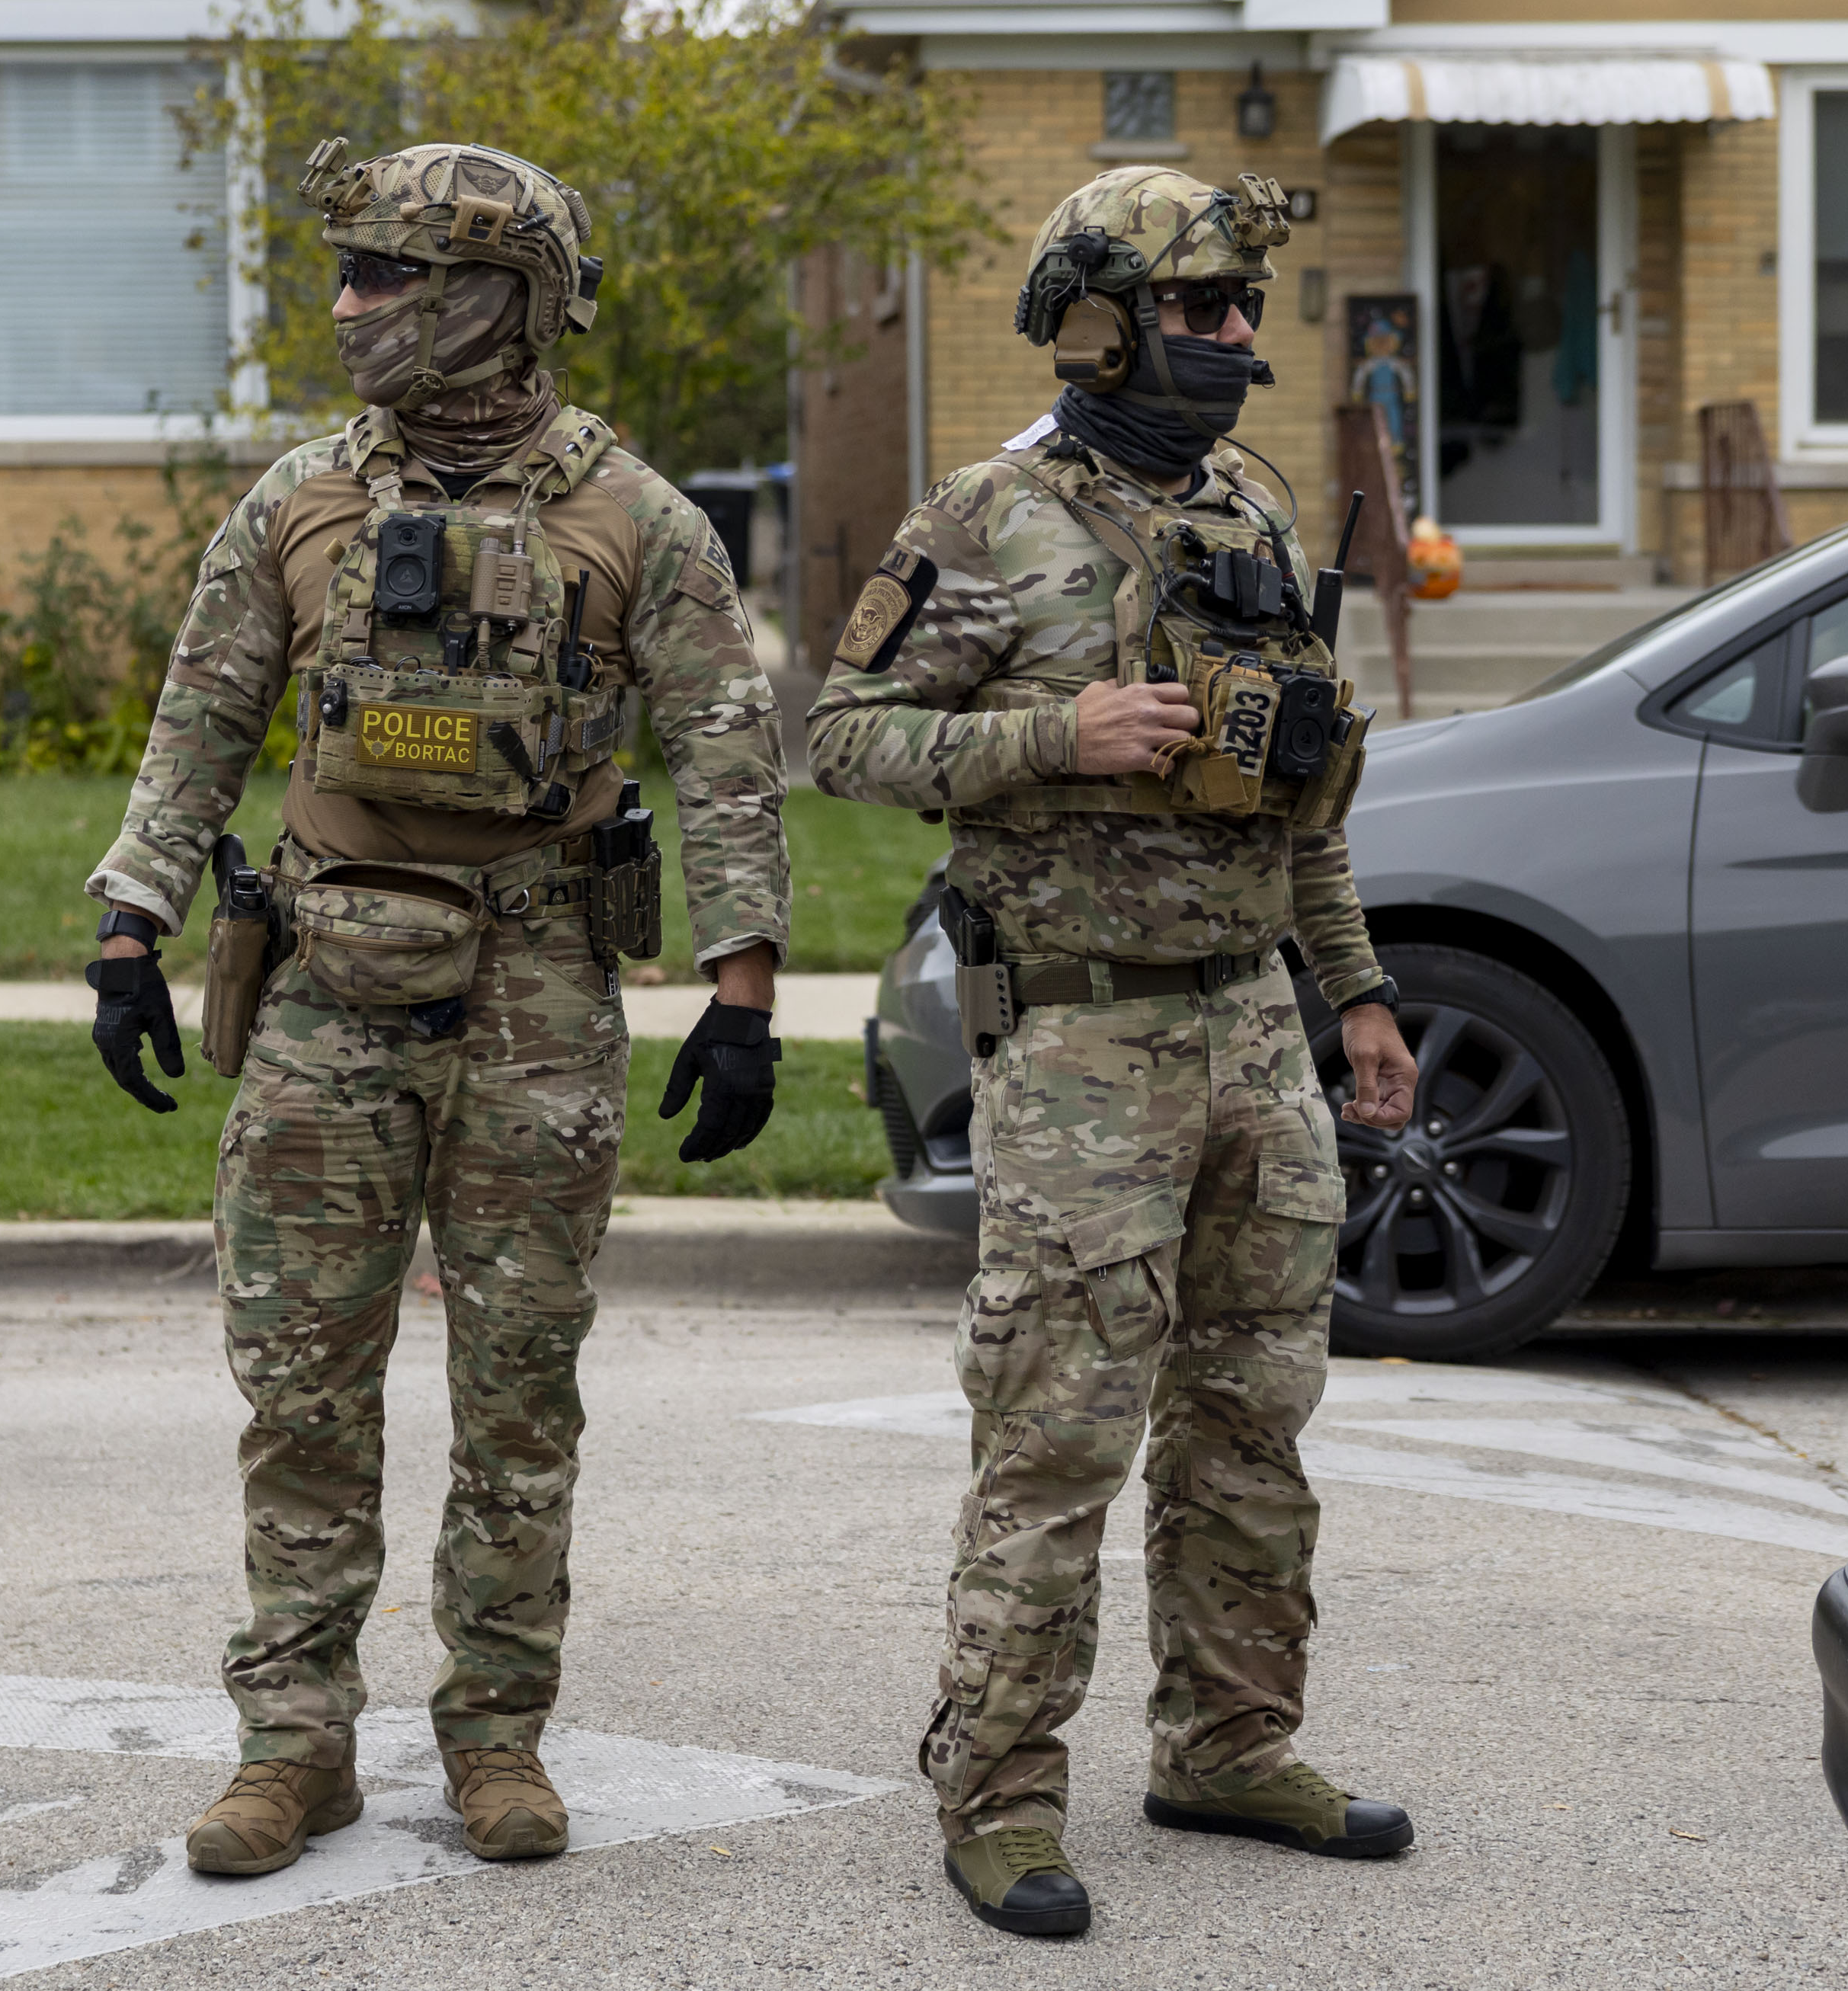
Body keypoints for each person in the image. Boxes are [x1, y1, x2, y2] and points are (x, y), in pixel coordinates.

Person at [81, 139, 790, 1881]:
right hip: (327, 983)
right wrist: (129, 924)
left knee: (518, 1387)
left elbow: (724, 763)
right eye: (353, 273)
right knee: (302, 1375)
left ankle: (494, 1736)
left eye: (385, 275)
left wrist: (744, 988)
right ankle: (292, 1742)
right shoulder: (298, 503)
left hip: (540, 985)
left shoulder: (639, 523)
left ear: (496, 297)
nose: (350, 306)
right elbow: (203, 718)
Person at [808, 164, 1422, 1938]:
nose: (1235, 335)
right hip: (1075, 1034)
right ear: (1096, 319)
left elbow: (1303, 788)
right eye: (1198, 306)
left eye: (1245, 307)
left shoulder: (1250, 504)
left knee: (1252, 1420)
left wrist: (1356, 992)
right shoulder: (985, 519)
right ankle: (994, 1793)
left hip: (1249, 1021)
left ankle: (1229, 1741)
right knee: (1056, 1433)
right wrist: (1049, 731)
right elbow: (843, 733)